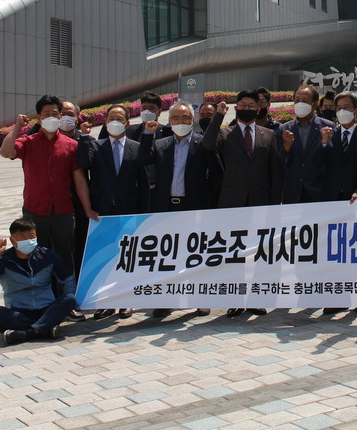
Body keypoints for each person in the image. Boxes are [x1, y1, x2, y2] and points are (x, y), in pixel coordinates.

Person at [0, 94, 98, 291]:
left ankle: (68, 301)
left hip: (63, 212)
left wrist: (87, 209)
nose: (51, 117)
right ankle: (43, 301)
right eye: (47, 114)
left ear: (61, 116)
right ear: (39, 118)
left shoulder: (71, 145)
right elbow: (6, 152)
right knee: (37, 258)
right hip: (35, 212)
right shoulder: (28, 142)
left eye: (55, 113)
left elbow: (79, 180)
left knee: (65, 258)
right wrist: (17, 127)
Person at [202, 91, 282, 318]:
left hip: (261, 202)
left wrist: (275, 204)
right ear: (236, 108)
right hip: (232, 202)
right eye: (242, 104)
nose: (246, 107)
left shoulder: (268, 135)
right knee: (235, 253)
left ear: (258, 109)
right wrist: (218, 116)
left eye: (251, 105)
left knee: (258, 253)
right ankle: (235, 299)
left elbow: (274, 172)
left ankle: (256, 298)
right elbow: (208, 145)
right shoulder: (225, 134)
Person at [139, 101, 218, 319]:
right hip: (165, 207)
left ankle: (200, 297)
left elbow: (217, 173)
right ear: (169, 121)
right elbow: (142, 160)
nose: (180, 122)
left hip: (194, 207)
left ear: (192, 121)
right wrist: (147, 134)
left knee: (197, 254)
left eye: (185, 118)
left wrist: (205, 196)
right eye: (176, 118)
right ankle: (167, 300)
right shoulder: (161, 144)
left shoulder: (203, 144)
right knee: (168, 255)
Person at [77, 104, 150, 320]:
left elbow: (143, 184)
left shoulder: (137, 148)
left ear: (127, 123)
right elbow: (82, 164)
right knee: (104, 258)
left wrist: (143, 213)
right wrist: (83, 136)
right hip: (102, 212)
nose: (114, 122)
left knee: (127, 257)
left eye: (119, 118)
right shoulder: (95, 146)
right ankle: (106, 302)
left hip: (129, 211)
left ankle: (126, 302)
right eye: (111, 118)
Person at [322, 91, 357, 315]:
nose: (341, 112)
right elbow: (322, 166)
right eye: (338, 108)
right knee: (336, 251)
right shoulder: (330, 134)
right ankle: (339, 296)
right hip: (333, 202)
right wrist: (324, 144)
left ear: (356, 110)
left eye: (346, 107)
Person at [0, 219, 77, 345]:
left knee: (70, 299)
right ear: (13, 241)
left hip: (46, 309)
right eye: (22, 237)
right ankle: (45, 327)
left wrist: (68, 300)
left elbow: (67, 279)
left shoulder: (47, 255)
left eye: (31, 236)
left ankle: (27, 333)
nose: (28, 240)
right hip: (19, 312)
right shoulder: (4, 260)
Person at [279, 85, 334, 205]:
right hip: (292, 194)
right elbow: (279, 162)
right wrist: (286, 147)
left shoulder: (328, 127)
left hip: (318, 193)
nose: (300, 104)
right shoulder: (284, 129)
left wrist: (324, 143)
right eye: (297, 100)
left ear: (314, 104)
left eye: (304, 101)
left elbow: (332, 160)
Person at [95, 91, 171, 140]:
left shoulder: (166, 132)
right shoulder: (130, 130)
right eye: (144, 108)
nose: (147, 111)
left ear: (159, 112)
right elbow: (104, 140)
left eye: (151, 108)